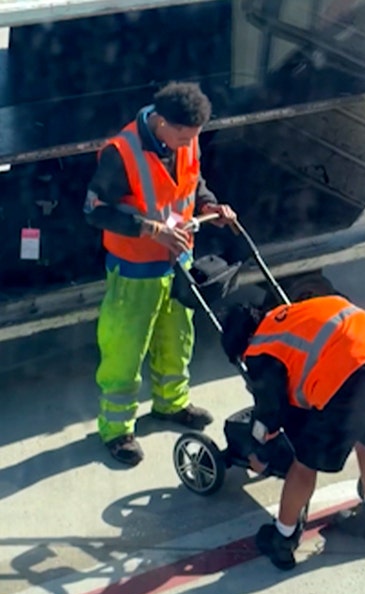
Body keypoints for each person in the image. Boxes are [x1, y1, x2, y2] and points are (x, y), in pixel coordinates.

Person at [84, 82, 238, 466]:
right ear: (162, 122)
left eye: (194, 138)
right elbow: (95, 210)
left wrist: (211, 206)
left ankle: (171, 404)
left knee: (177, 337)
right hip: (135, 268)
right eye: (184, 137)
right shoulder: (122, 153)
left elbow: (192, 183)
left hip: (178, 260)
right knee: (125, 348)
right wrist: (151, 230)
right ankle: (117, 430)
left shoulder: (186, 140)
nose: (189, 145)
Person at [220, 295, 365, 570]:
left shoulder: (259, 351)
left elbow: (271, 414)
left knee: (303, 465)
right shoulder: (293, 314)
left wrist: (261, 452)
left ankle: (282, 537)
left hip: (353, 383)